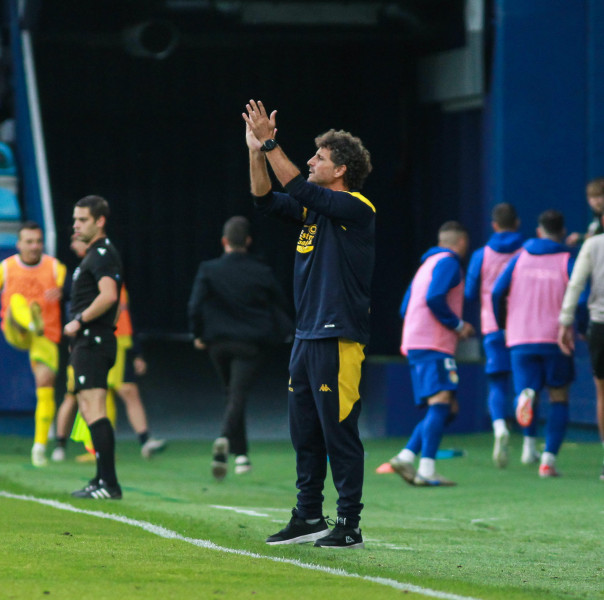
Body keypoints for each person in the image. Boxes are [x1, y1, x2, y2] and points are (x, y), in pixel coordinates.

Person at [244, 100, 373, 549]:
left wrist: (270, 142)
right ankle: (308, 516)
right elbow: (264, 200)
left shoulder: (355, 207)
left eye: (319, 156)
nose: (312, 160)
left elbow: (298, 185)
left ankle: (349, 524)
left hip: (338, 337)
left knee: (339, 432)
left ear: (340, 170)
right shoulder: (314, 211)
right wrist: (255, 150)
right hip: (306, 336)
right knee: (305, 432)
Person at [188, 215, 290, 480]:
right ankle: (224, 438)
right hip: (250, 345)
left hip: (217, 345)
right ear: (248, 241)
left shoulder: (208, 269)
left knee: (233, 394)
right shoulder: (262, 271)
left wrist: (198, 334)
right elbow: (280, 304)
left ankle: (242, 456)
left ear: (224, 241)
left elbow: (194, 306)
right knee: (238, 395)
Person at [52, 235, 166, 462]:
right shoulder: (81, 277)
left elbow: (126, 317)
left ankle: (118, 445)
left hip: (114, 341)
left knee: (116, 392)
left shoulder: (107, 276)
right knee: (79, 396)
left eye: (77, 240)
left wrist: (137, 350)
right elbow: (75, 310)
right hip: (89, 343)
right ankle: (66, 445)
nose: (74, 244)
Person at [0, 221, 66, 467]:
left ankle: (39, 447)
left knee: (45, 383)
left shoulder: (55, 268)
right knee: (18, 301)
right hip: (15, 329)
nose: (34, 247)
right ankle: (30, 321)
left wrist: (65, 293)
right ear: (19, 244)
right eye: (29, 242)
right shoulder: (7, 268)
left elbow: (74, 292)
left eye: (38, 242)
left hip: (46, 333)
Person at [391, 221, 475, 488]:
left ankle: (406, 456)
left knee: (444, 406)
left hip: (416, 342)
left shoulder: (425, 265)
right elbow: (435, 298)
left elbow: (405, 308)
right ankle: (426, 469)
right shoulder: (449, 263)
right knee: (441, 404)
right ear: (461, 242)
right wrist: (458, 325)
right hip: (434, 343)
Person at [493, 210, 575, 477]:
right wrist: (580, 326)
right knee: (559, 397)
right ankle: (547, 461)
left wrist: (504, 323)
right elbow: (581, 297)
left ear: (538, 231)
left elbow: (496, 292)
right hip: (555, 338)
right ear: (561, 232)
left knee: (529, 391)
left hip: (520, 337)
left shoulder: (520, 258)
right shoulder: (566, 259)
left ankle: (528, 443)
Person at [65, 195, 123, 500]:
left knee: (95, 410)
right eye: (75, 219)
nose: (76, 225)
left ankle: (109, 484)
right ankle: (100, 479)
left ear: (99, 221)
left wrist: (79, 321)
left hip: (94, 340)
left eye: (82, 220)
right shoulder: (93, 254)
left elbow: (109, 295)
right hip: (89, 341)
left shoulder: (102, 253)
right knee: (88, 410)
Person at [464, 203, 524, 467]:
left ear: (494, 225)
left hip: (492, 327)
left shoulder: (481, 254)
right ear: (517, 223)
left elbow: (468, 293)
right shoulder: (526, 252)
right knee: (526, 384)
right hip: (524, 327)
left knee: (497, 383)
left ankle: (500, 426)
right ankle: (531, 447)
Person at [559, 211, 604, 481]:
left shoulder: (593, 244)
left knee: (602, 393)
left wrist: (565, 320)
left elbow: (575, 284)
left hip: (600, 325)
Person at [566, 178, 604, 246]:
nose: (595, 201)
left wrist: (581, 237)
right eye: (591, 197)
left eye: (598, 196)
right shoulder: (597, 216)